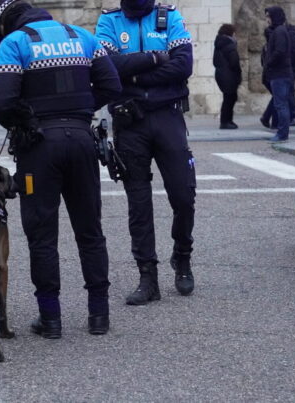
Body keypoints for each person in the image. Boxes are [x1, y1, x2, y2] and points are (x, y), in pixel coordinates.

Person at [0, 0, 122, 338]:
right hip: (80, 141)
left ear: (4, 23)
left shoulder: (15, 43)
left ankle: (51, 319)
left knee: (42, 234)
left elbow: (1, 100)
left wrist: (24, 120)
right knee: (90, 230)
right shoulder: (82, 36)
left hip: (39, 149)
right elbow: (112, 86)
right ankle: (98, 316)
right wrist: (78, 110)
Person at [95, 0, 196, 306]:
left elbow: (184, 65)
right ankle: (147, 277)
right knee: (138, 204)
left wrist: (134, 76)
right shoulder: (109, 22)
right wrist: (155, 59)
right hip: (130, 121)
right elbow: (107, 67)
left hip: (168, 116)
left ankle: (182, 255)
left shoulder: (170, 16)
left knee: (183, 195)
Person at [263, 6, 294, 142]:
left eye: (268, 17)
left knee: (281, 105)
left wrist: (269, 62)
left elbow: (280, 52)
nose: (267, 20)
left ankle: (282, 133)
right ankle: (282, 132)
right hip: (280, 73)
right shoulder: (278, 31)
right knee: (281, 104)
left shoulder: (279, 31)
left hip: (280, 74)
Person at [213, 24, 241, 130]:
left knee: (229, 98)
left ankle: (228, 120)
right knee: (229, 99)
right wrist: (238, 73)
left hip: (221, 74)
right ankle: (225, 122)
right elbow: (234, 62)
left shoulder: (219, 44)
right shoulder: (229, 45)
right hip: (229, 75)